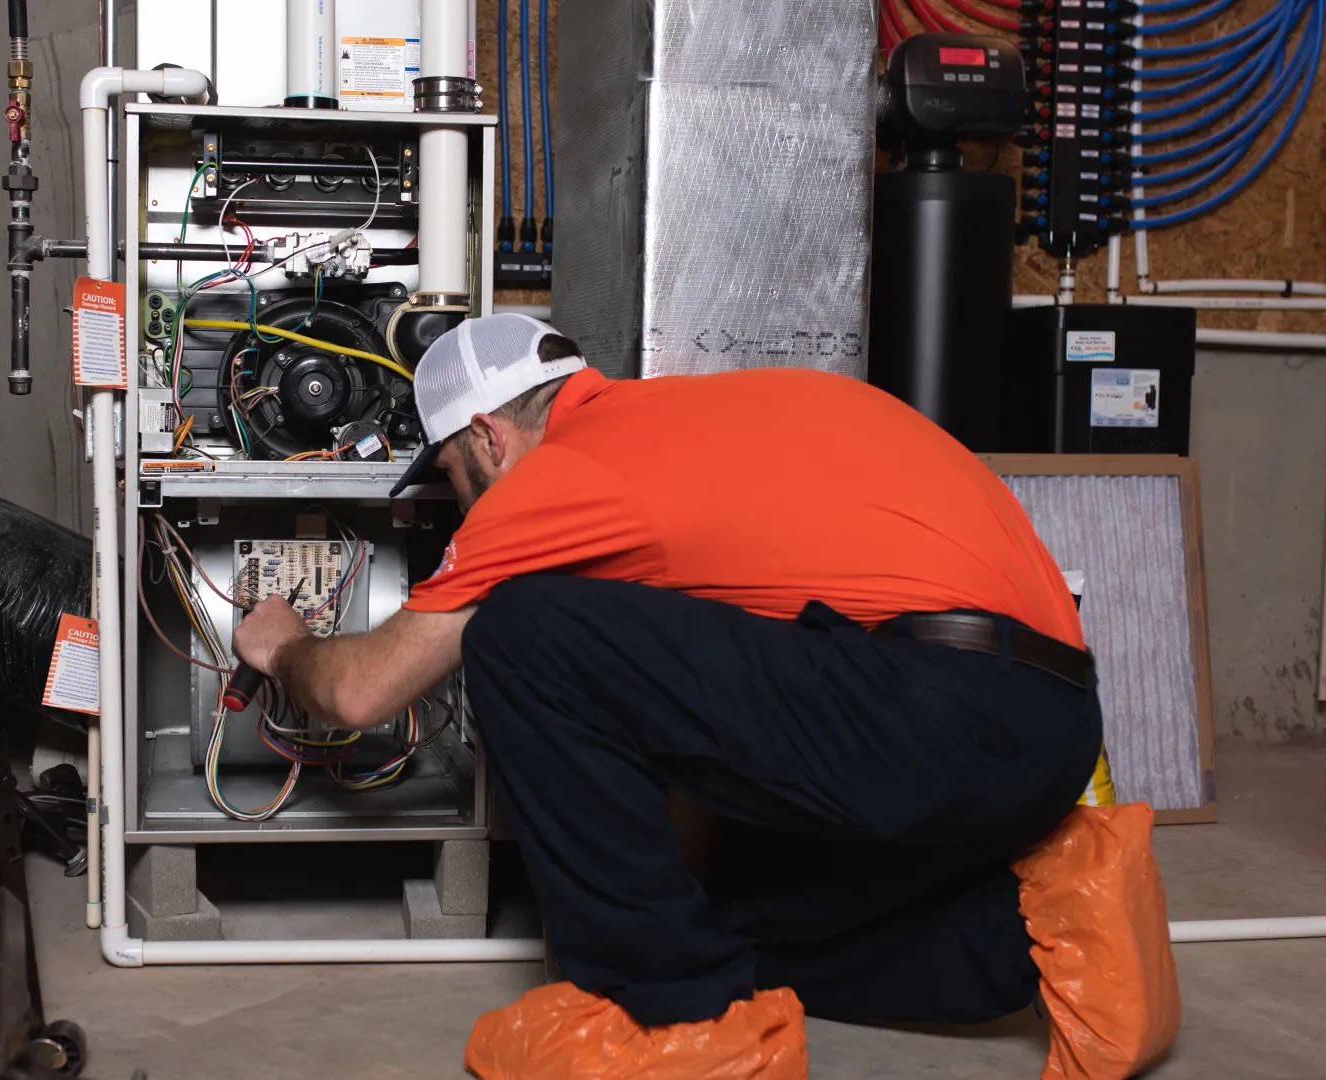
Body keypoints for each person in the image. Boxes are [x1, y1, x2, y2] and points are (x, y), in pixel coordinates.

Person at [230, 313, 1121, 1035]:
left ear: (490, 439)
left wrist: (281, 646)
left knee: (518, 629)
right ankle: (1032, 936)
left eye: (459, 484)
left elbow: (360, 692)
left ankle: (655, 1017)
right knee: (718, 917)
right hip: (1055, 735)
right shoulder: (719, 418)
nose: (466, 511)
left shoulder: (566, 475)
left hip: (932, 708)